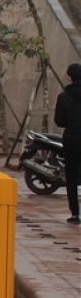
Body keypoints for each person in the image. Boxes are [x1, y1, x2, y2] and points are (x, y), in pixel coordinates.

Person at [53, 62, 81, 225]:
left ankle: (75, 214)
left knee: (71, 177)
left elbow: (60, 121)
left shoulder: (63, 97)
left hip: (71, 141)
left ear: (70, 77)